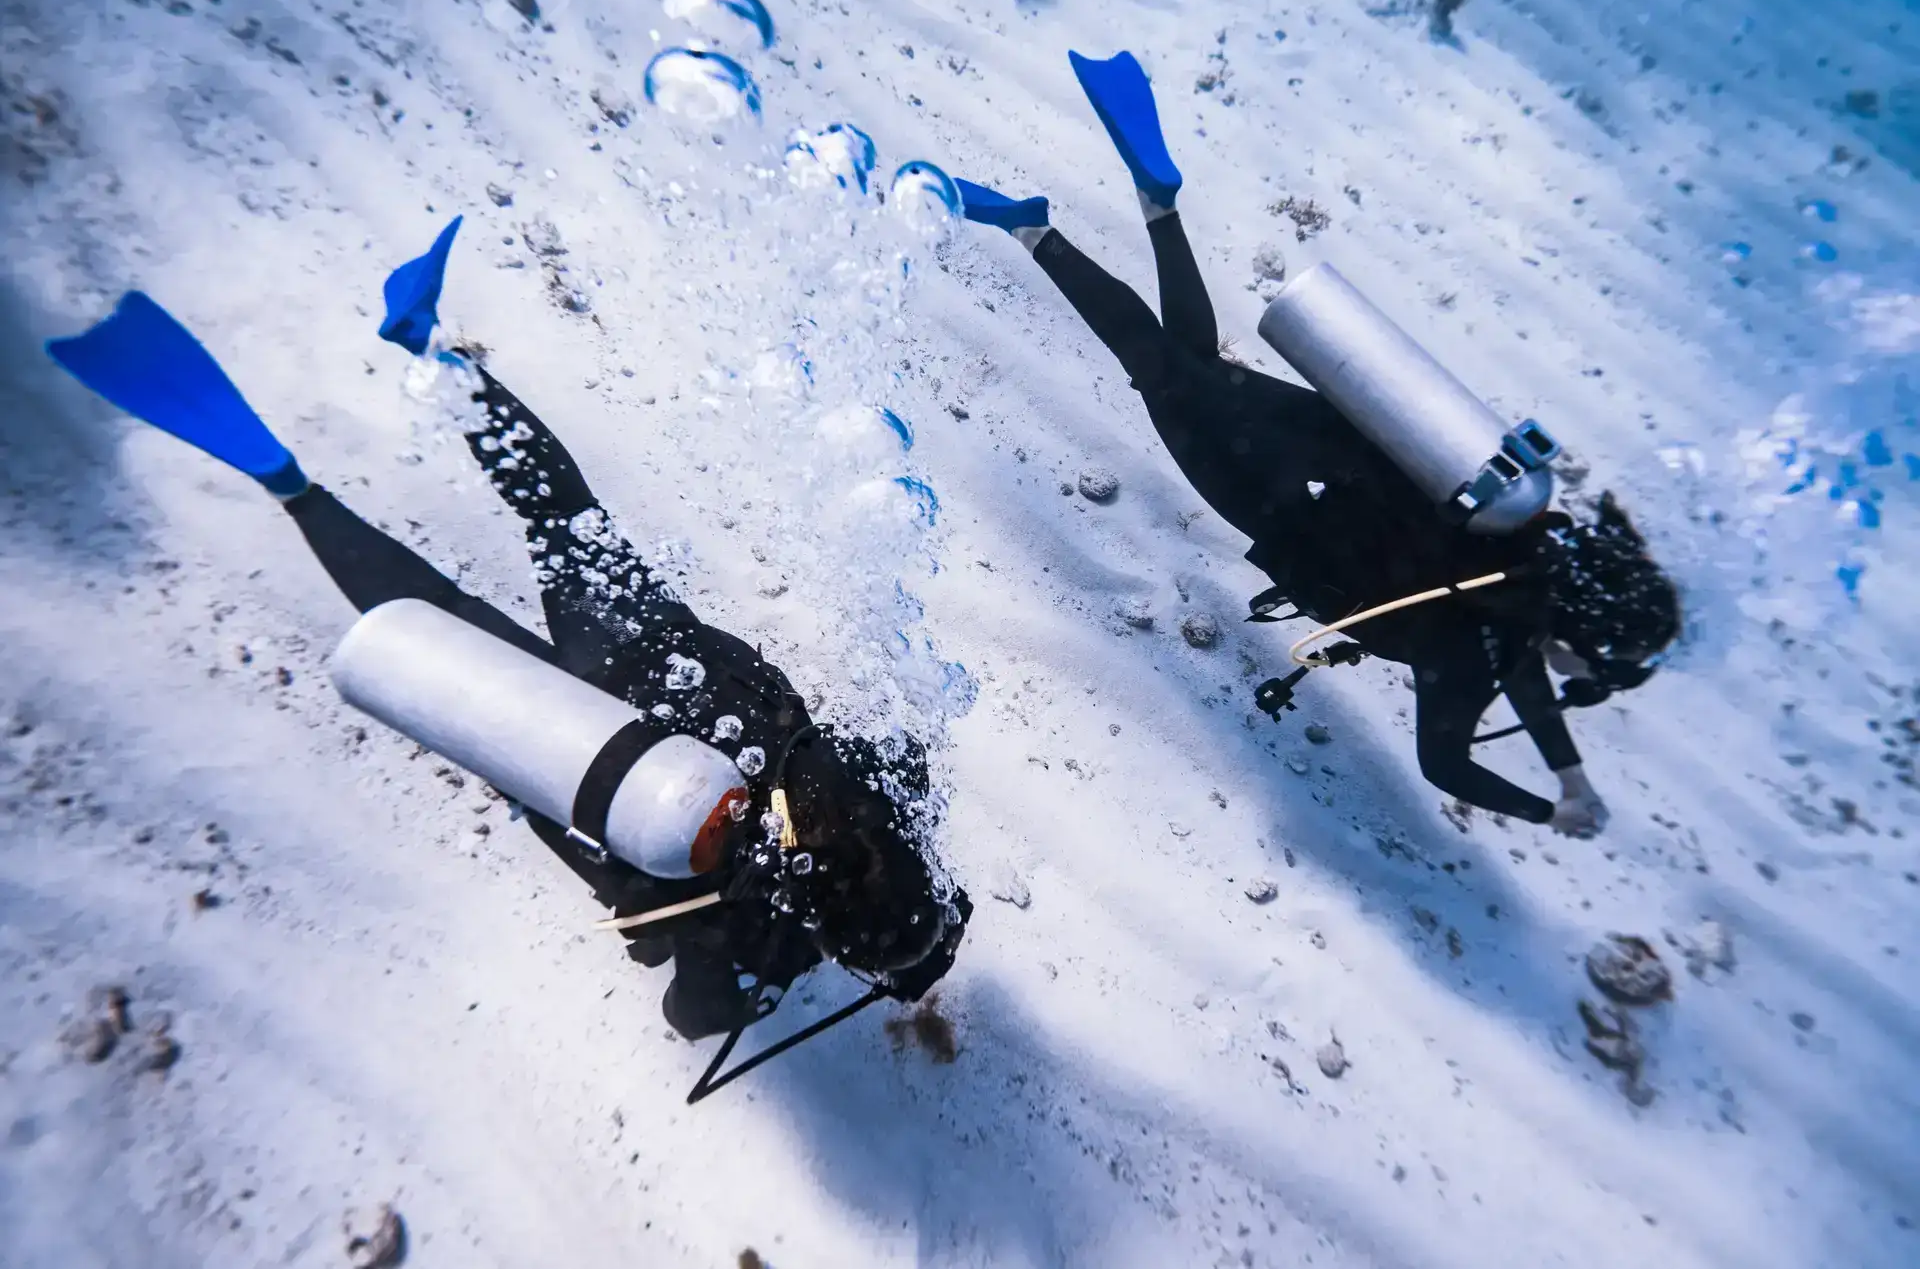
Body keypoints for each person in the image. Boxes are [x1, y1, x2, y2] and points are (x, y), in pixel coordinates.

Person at [45, 226, 970, 1049]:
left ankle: (431, 345)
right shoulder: (765, 929)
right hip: (567, 742)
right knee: (438, 621)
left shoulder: (881, 797)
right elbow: (691, 1017)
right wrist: (785, 975)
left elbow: (898, 770)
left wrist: (924, 922)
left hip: (644, 649)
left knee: (561, 515)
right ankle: (286, 481)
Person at [952, 51, 1680, 837]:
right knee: (1157, 370)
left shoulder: (1525, 550)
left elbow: (1532, 678)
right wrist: (1548, 809)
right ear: (1580, 632)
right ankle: (1034, 228)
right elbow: (1447, 764)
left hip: (1328, 436)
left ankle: (1152, 205)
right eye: (1596, 670)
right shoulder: (1491, 638)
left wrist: (1570, 775)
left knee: (1192, 364)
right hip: (1279, 501)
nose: (1578, 679)